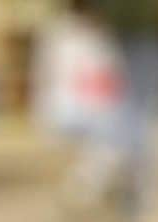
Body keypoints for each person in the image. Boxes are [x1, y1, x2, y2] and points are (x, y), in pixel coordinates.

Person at [32, 0, 128, 210]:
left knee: (111, 150)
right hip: (73, 107)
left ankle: (83, 188)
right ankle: (81, 188)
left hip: (89, 106)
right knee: (109, 150)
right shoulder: (62, 35)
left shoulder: (96, 34)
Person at [89, 0, 158, 216]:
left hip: (133, 32)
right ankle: (131, 186)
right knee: (144, 115)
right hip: (144, 33)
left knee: (133, 112)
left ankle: (121, 182)